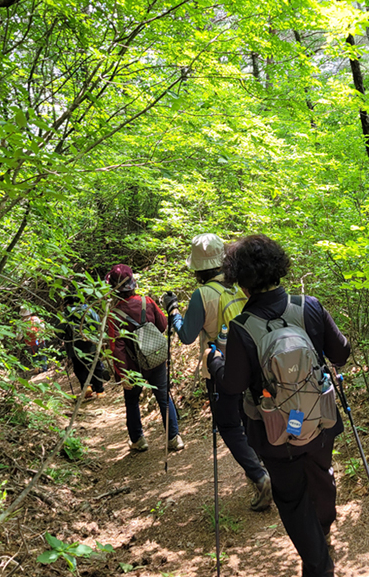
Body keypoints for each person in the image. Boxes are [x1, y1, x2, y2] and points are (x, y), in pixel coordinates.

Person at [207, 235, 350, 577]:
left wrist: (215, 362)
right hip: (320, 421)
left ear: (239, 279)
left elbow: (234, 385)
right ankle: (322, 534)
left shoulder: (242, 327)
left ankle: (318, 563)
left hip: (276, 434)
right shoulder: (310, 306)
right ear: (279, 266)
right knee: (321, 477)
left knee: (291, 497)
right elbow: (342, 353)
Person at [161, 233, 272, 511]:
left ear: (198, 268)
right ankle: (264, 468)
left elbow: (186, 335)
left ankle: (260, 477)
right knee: (252, 417)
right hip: (254, 363)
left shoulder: (203, 294)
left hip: (221, 367)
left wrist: (173, 311)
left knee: (229, 425)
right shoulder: (240, 287)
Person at [106, 263, 184, 453]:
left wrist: (123, 375)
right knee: (164, 398)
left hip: (133, 367)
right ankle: (174, 438)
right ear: (133, 283)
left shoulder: (114, 314)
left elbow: (117, 347)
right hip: (155, 360)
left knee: (132, 401)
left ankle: (138, 440)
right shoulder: (146, 302)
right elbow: (163, 325)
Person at [55, 296, 110, 400]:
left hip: (73, 346)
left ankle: (87, 387)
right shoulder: (89, 310)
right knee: (95, 365)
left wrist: (62, 338)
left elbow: (58, 331)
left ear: (67, 303)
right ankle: (100, 391)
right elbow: (98, 323)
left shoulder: (65, 314)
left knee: (79, 367)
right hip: (91, 343)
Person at [19, 306, 48, 373]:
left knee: (34, 354)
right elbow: (43, 327)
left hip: (30, 342)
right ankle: (44, 369)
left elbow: (19, 336)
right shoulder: (35, 319)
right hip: (40, 339)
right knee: (43, 353)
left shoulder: (21, 323)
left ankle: (36, 368)